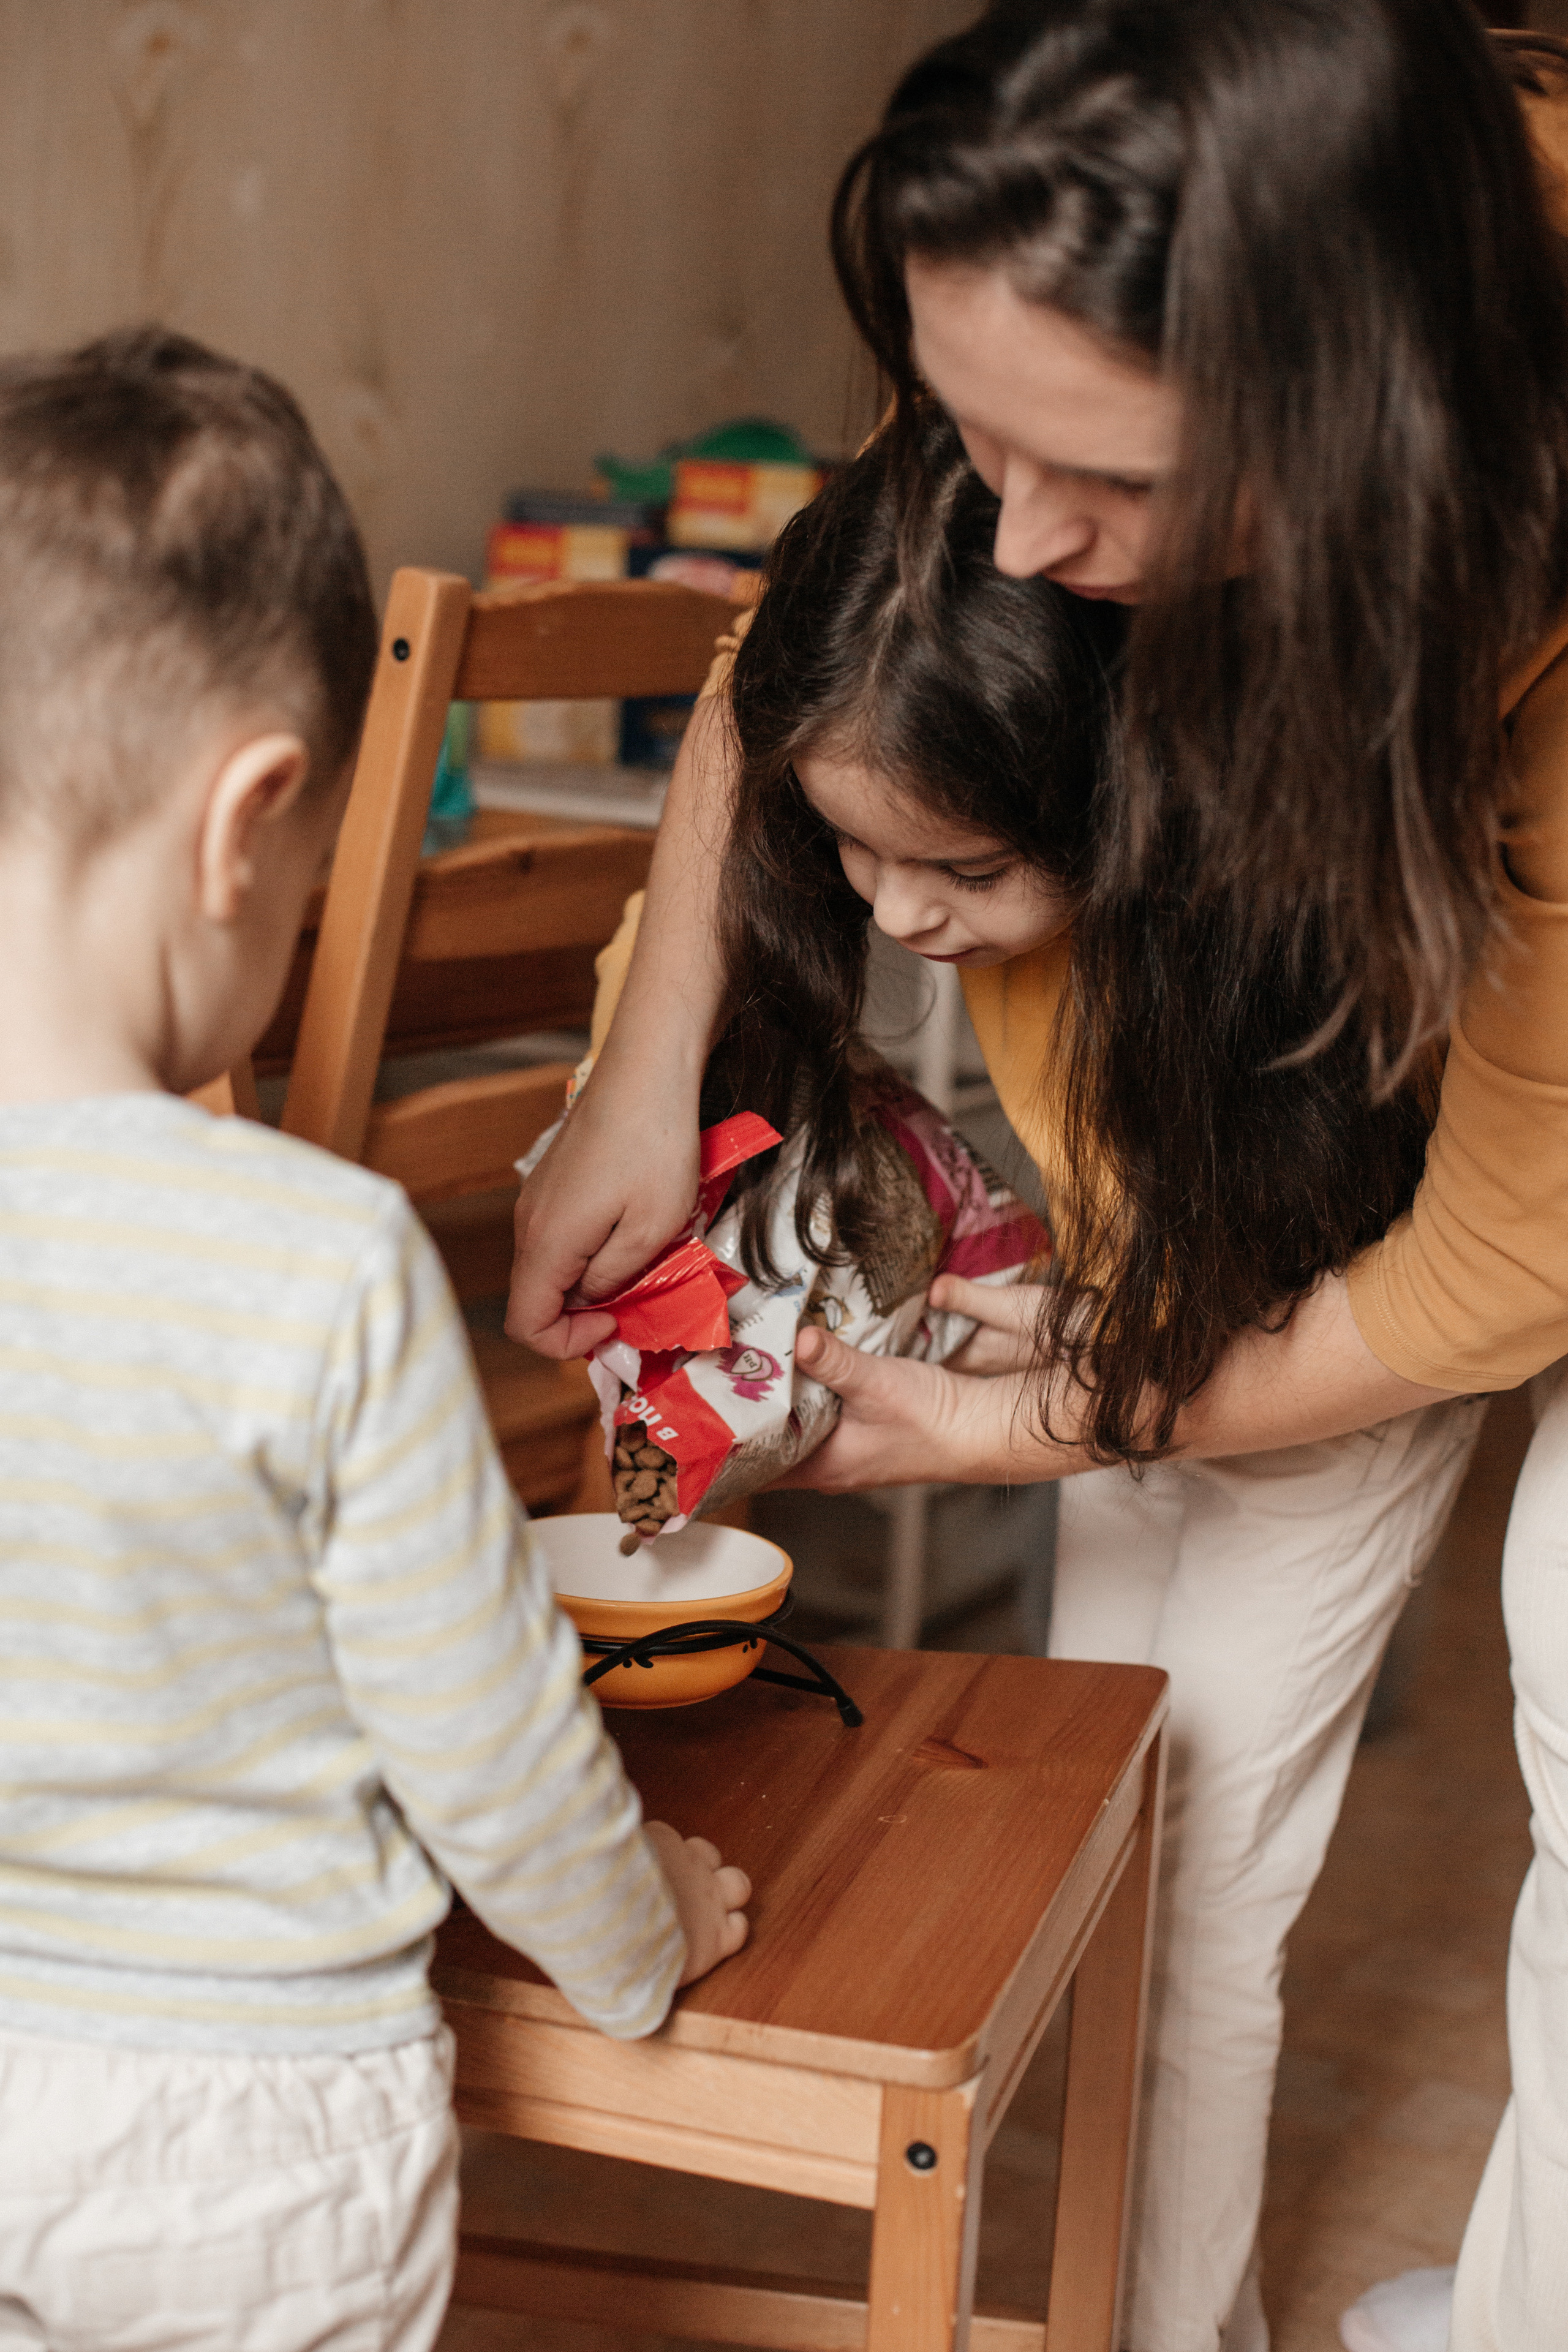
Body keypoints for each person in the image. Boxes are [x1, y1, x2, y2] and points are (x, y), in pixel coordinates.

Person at [510, 10, 1568, 2351]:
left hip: (1441, 1190)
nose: (1010, 532)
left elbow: (1505, 1247)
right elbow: (822, 618)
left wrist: (1021, 1422)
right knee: (1153, 1816)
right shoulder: (1101, 298)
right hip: (1245, 1182)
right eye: (973, 436)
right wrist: (643, 1055)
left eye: (1091, 483)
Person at [0, 327, 750, 2352]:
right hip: (251, 2143)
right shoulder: (312, 1263)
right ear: (250, 824)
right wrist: (637, 1938)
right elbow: (489, 1743)